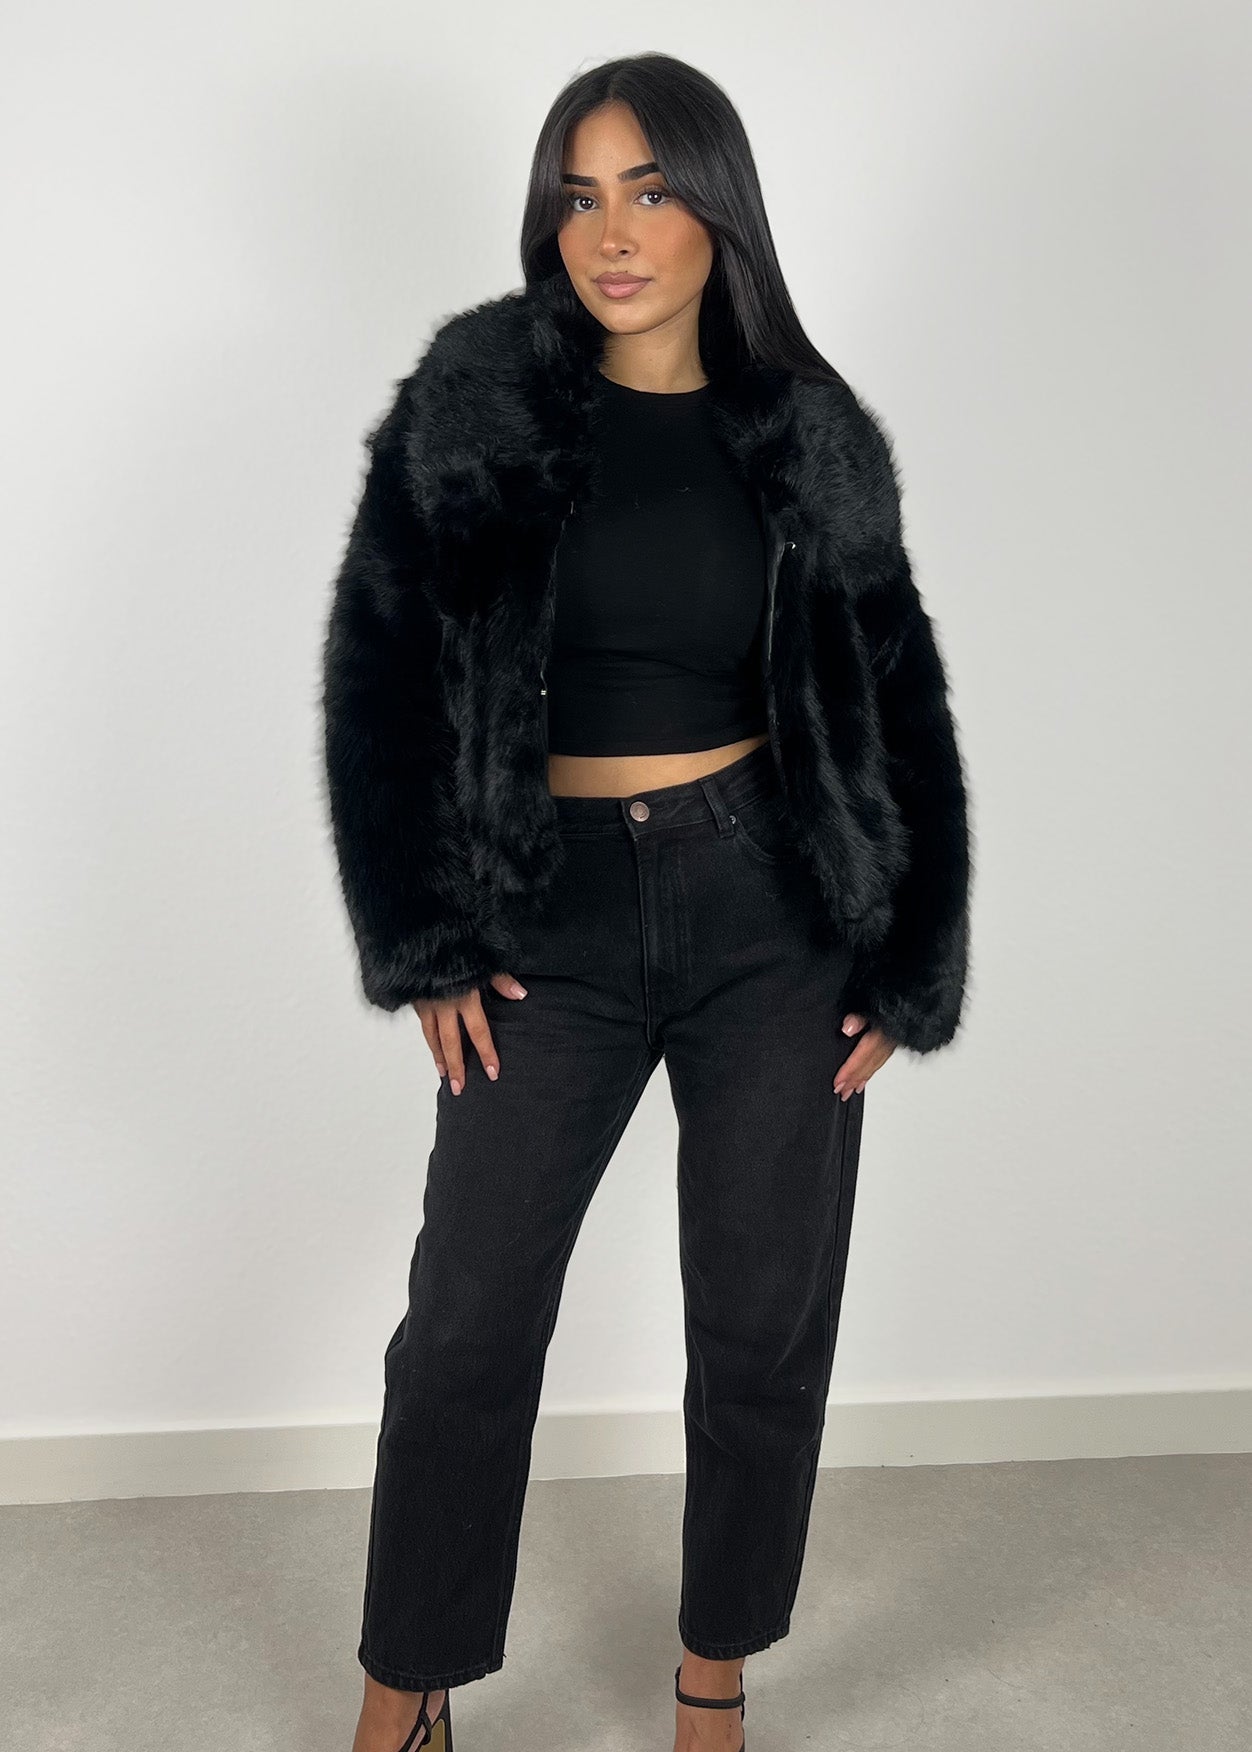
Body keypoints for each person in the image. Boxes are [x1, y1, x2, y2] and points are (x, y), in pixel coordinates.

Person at [323, 52, 972, 1752]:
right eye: (581, 194)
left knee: (761, 1326)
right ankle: (405, 1695)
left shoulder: (809, 433)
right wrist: (424, 938)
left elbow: (898, 688)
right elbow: (380, 665)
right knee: (465, 1328)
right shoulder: (476, 402)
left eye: (653, 190)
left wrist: (910, 954)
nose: (612, 232)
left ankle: (712, 1683)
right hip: (546, 919)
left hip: (774, 908)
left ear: (718, 210)